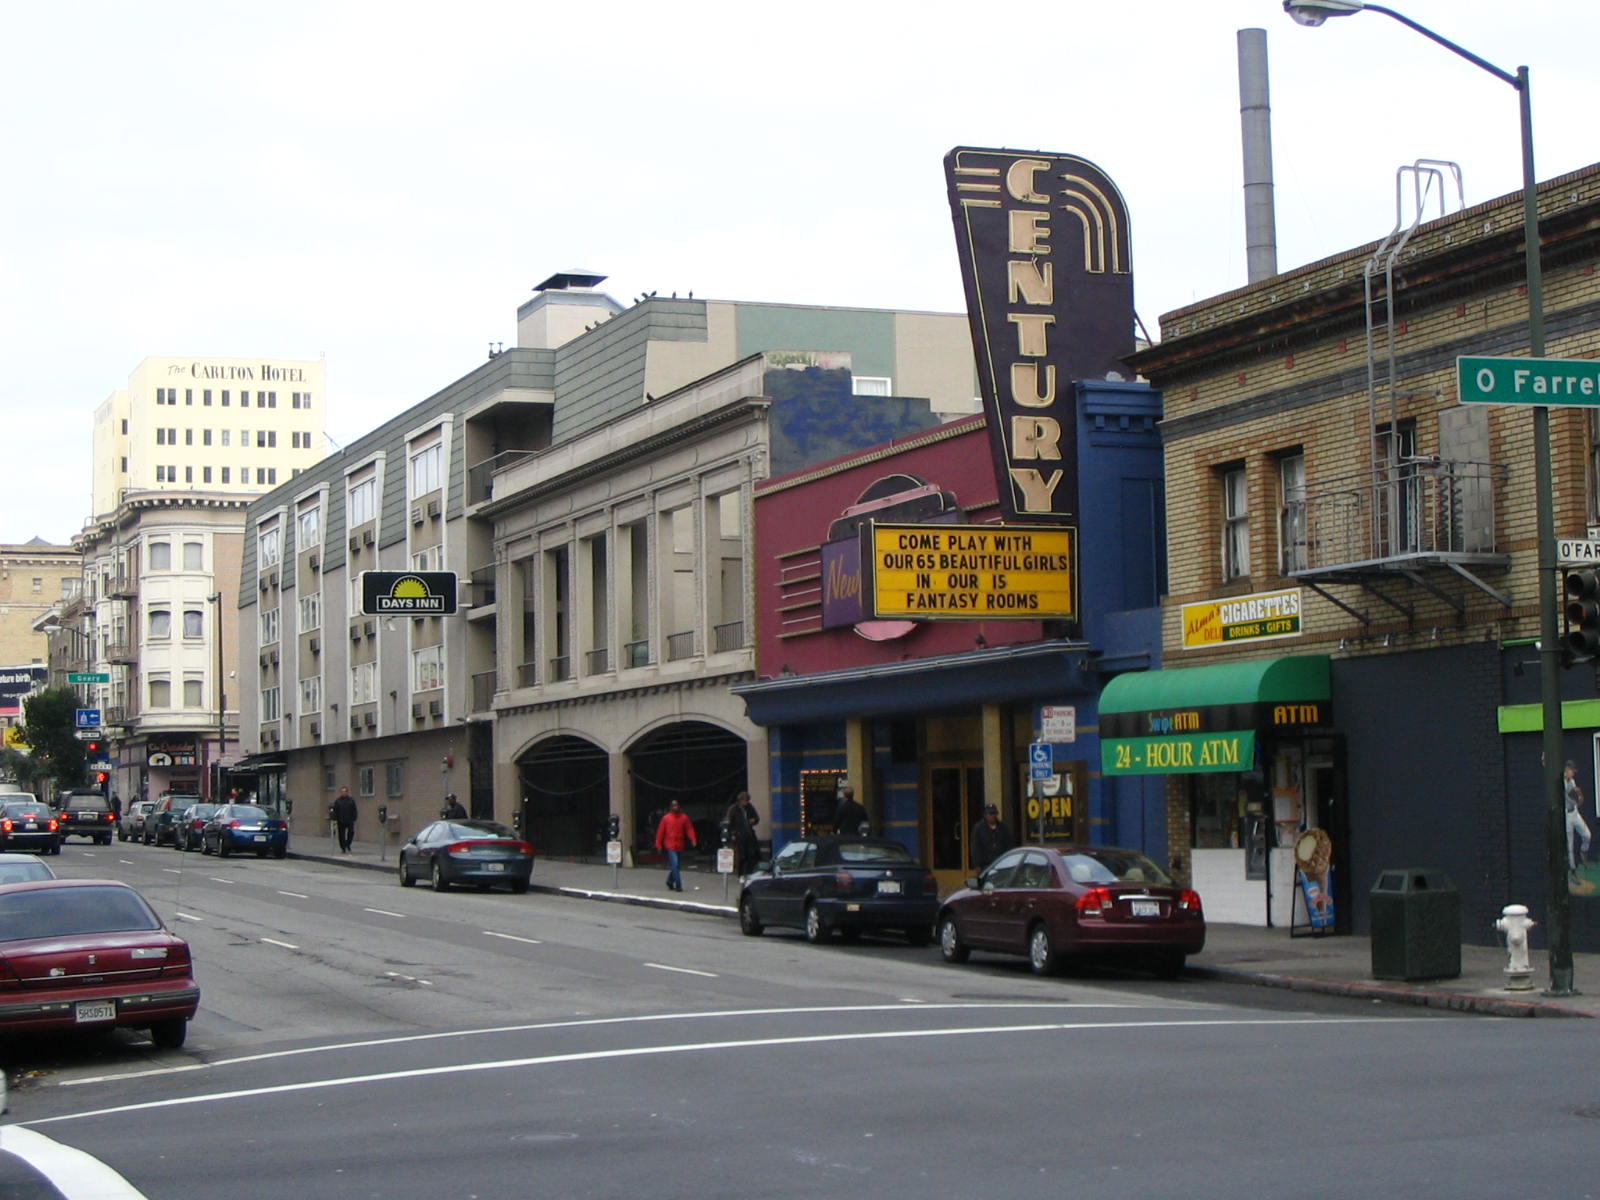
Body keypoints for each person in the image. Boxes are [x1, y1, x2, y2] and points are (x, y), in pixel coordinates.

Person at [653, 799, 698, 891]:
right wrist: (658, 844)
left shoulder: (684, 818)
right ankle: (678, 884)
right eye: (673, 806)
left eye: (676, 805)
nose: (675, 807)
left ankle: (670, 881)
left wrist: (693, 839)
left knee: (677, 865)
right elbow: (660, 832)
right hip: (670, 845)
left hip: (680, 844)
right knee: (675, 864)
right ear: (670, 807)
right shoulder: (666, 818)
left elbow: (689, 829)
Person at [725, 790, 761, 877]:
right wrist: (732, 834)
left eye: (747, 801)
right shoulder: (733, 809)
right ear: (740, 800)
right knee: (741, 855)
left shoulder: (749, 807)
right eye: (745, 800)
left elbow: (756, 818)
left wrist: (754, 820)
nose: (746, 802)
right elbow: (729, 822)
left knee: (751, 854)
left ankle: (749, 872)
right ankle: (741, 873)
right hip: (739, 834)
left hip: (748, 833)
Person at [970, 803, 1014, 873]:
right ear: (985, 815)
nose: (992, 816)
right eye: (990, 814)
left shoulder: (1003, 827)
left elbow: (1009, 844)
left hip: (1001, 863)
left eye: (994, 813)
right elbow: (975, 847)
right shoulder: (978, 828)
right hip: (985, 865)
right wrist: (976, 864)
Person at [1566, 761, 1592, 879]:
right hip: (1566, 815)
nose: (1573, 773)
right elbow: (1571, 794)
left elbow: (1577, 799)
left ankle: (1583, 852)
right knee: (1569, 844)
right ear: (1567, 769)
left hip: (1574, 812)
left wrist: (1579, 797)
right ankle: (1572, 869)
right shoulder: (1562, 782)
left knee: (1587, 835)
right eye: (1572, 771)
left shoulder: (1572, 781)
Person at [332, 786, 358, 854]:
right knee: (341, 835)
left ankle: (348, 844)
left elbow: (354, 810)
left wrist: (354, 818)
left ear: (347, 792)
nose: (344, 793)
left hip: (349, 820)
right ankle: (343, 847)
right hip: (341, 820)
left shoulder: (351, 800)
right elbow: (335, 810)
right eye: (342, 792)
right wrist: (335, 819)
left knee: (351, 833)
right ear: (341, 793)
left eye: (345, 791)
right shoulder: (338, 801)